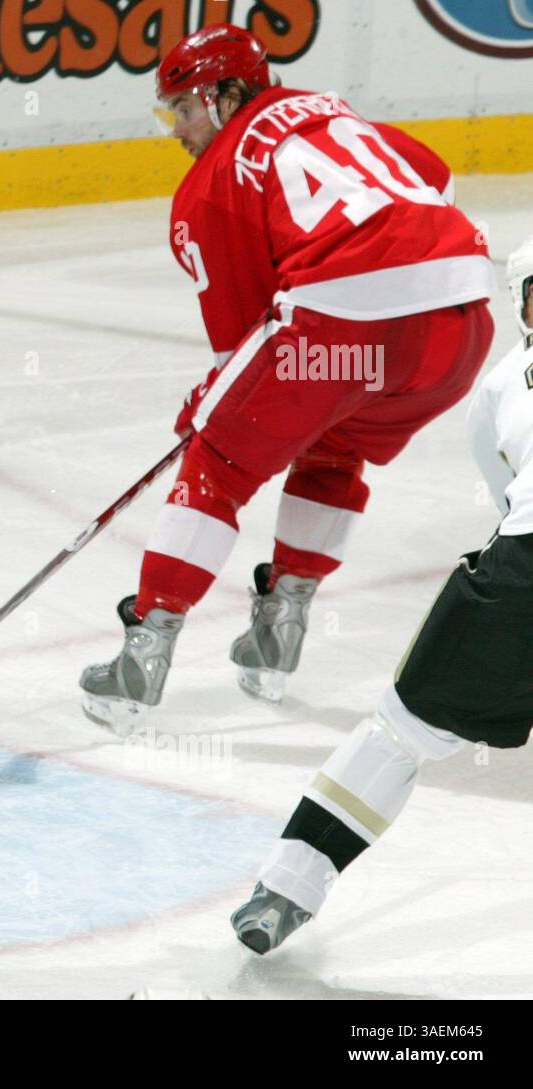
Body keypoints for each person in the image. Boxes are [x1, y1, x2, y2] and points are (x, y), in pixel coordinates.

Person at [81, 24, 495, 734]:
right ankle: (281, 627)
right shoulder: (331, 109)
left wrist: (208, 413)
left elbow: (244, 339)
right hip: (460, 321)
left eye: (183, 108)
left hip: (347, 322)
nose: (175, 129)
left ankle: (142, 655)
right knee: (335, 441)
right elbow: (432, 175)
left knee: (217, 460)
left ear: (225, 94)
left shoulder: (209, 188)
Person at [231, 236, 533, 953]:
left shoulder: (502, 384)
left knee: (400, 733)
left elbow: (507, 499)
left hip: (523, 574)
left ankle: (286, 888)